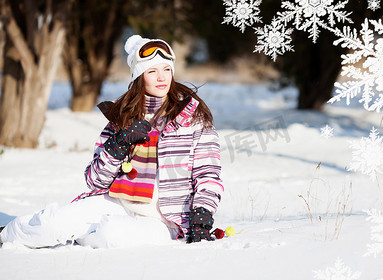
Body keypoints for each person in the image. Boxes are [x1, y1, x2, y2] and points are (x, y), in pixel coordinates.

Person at [0, 35, 223, 248]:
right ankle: (5, 235)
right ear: (139, 76)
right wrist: (117, 145)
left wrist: (201, 216)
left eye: (167, 70)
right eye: (152, 71)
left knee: (111, 236)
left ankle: (83, 237)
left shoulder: (193, 119)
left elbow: (208, 175)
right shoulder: (122, 118)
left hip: (165, 219)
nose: (162, 78)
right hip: (116, 202)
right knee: (52, 224)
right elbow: (94, 181)